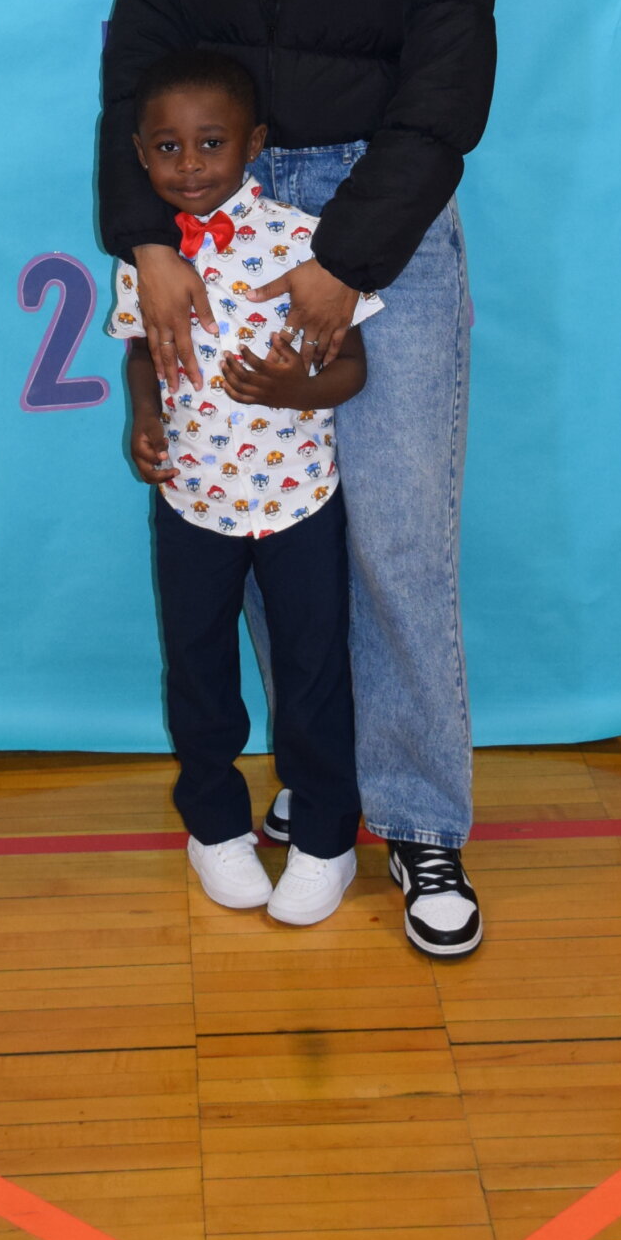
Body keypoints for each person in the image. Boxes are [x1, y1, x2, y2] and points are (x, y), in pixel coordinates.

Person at [99, 0, 496, 959]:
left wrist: (342, 262)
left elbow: (448, 90)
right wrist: (150, 237)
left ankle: (421, 818)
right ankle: (323, 786)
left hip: (378, 220)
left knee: (390, 538)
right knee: (258, 533)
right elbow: (139, 69)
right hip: (215, 226)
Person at [110, 48, 381, 925]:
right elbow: (140, 354)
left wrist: (294, 389)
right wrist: (143, 417)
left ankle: (327, 841)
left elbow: (353, 372)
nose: (189, 167)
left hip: (300, 502)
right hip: (192, 503)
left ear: (256, 145)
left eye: (212, 144)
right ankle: (215, 827)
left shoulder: (306, 242)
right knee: (198, 671)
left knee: (313, 674)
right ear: (140, 154)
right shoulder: (147, 259)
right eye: (166, 149)